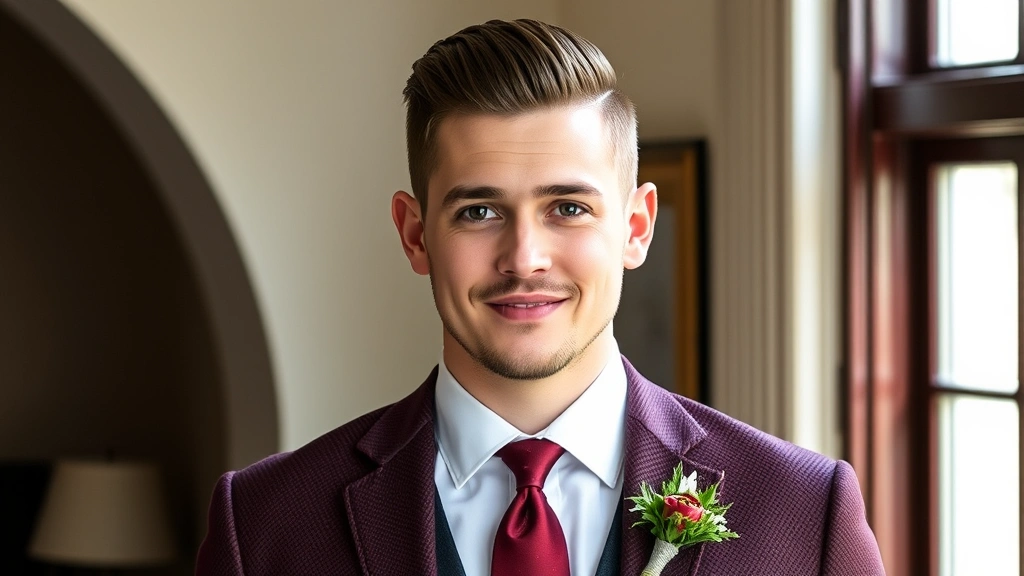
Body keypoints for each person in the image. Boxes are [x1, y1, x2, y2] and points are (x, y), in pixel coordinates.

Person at [196, 19, 884, 576]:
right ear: (414, 235)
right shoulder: (263, 527)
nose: (524, 258)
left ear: (635, 227)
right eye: (478, 212)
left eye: (568, 209)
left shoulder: (801, 513)